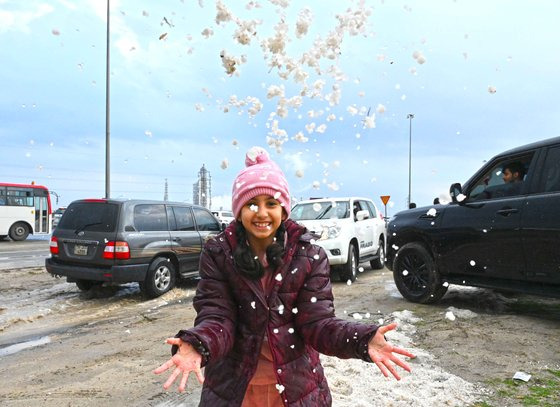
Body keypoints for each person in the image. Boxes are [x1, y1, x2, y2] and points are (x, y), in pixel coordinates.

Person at [154, 146, 415, 406]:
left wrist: (361, 338)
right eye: (251, 204)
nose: (262, 213)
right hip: (236, 388)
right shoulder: (219, 254)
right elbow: (218, 316)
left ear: (283, 209)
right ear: (239, 210)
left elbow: (318, 324)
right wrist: (199, 343)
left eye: (271, 204)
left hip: (294, 388)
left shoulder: (310, 257)